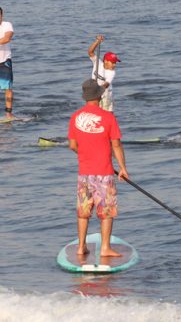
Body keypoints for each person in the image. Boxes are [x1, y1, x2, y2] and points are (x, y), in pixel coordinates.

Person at [68, 79, 129, 257]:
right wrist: (123, 168)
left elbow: (72, 145)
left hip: (84, 173)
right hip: (103, 172)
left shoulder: (75, 117)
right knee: (106, 212)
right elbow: (116, 145)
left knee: (83, 211)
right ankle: (105, 248)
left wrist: (85, 154)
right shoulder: (108, 117)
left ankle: (81, 247)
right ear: (99, 96)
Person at [87, 34, 120, 112]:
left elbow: (106, 84)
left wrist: (98, 90)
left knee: (107, 114)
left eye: (115, 63)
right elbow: (90, 52)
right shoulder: (97, 62)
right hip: (94, 92)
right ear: (105, 61)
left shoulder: (111, 72)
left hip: (106, 94)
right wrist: (97, 42)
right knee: (94, 113)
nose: (114, 65)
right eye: (112, 62)